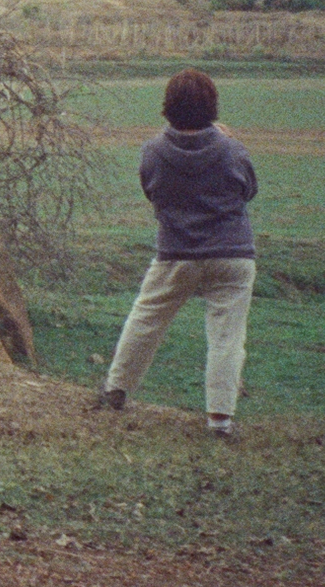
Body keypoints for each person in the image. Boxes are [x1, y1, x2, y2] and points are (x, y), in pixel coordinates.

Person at [99, 68, 257, 438]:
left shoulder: (152, 150)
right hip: (232, 253)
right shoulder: (233, 148)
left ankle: (116, 390)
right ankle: (220, 420)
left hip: (175, 252)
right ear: (212, 108)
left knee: (146, 319)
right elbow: (248, 189)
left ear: (168, 107)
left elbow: (151, 191)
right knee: (227, 337)